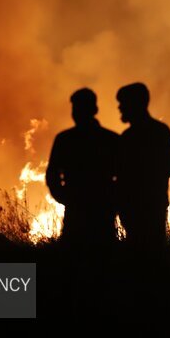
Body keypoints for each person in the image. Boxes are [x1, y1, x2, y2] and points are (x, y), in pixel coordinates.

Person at [46, 88, 119, 247]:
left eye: (79, 108)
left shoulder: (66, 139)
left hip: (93, 209)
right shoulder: (110, 138)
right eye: (75, 108)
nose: (76, 112)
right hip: (91, 209)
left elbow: (124, 174)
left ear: (93, 110)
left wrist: (65, 197)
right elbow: (52, 174)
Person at [116, 82, 170, 251]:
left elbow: (169, 165)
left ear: (135, 104)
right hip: (150, 203)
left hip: (142, 205)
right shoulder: (159, 131)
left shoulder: (129, 138)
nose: (120, 108)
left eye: (123, 104)